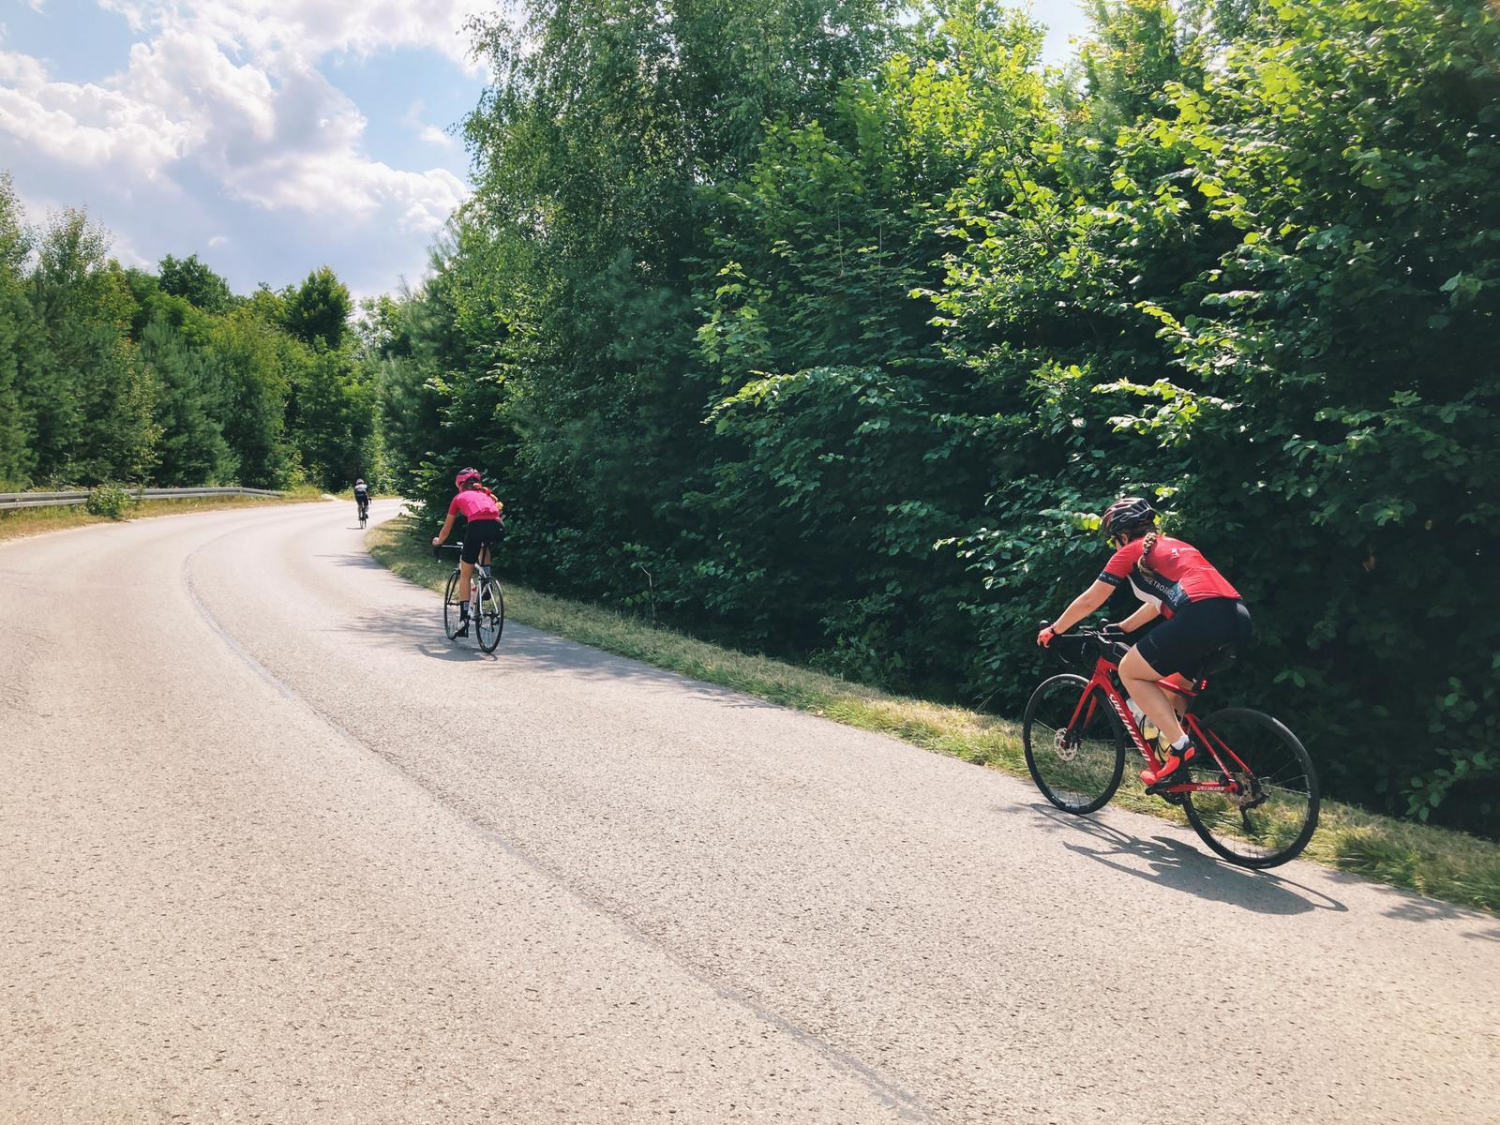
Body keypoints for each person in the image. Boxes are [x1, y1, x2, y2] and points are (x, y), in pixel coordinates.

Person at [1035, 497, 1251, 786]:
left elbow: (1091, 599)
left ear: (1122, 536)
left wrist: (1055, 630)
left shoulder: (1131, 551)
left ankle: (1181, 748)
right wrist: (1122, 627)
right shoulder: (1176, 547)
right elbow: (1158, 603)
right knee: (1172, 694)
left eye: (1114, 540)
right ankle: (1174, 773)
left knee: (1129, 670)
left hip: (1201, 615)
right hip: (1236, 618)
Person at [431, 467, 505, 637]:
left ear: (460, 484)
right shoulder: (486, 495)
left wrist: (438, 542)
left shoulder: (458, 498)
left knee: (465, 574)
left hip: (477, 527)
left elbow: (445, 530)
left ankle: (464, 618)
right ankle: (486, 581)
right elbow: (493, 513)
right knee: (484, 545)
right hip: (498, 526)